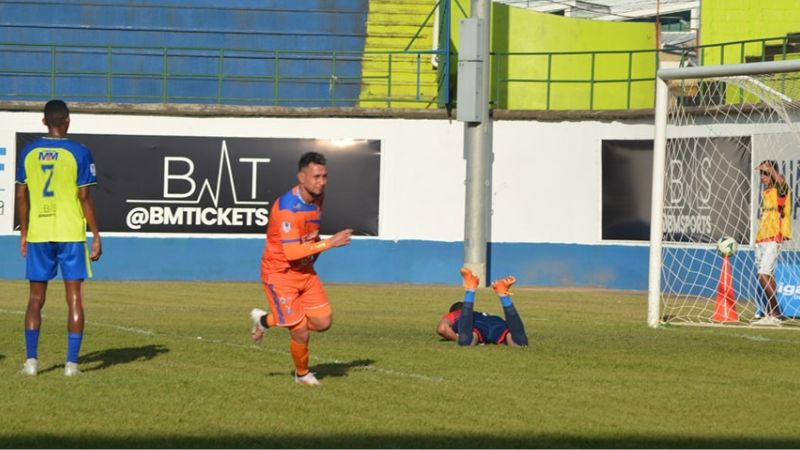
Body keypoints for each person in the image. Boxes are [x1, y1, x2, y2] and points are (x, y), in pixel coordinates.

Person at [249, 152, 352, 385]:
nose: (322, 181)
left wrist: (315, 252)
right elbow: (291, 252)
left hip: (305, 272)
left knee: (323, 323)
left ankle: (263, 321)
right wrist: (330, 243)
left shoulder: (318, 197)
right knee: (300, 331)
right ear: (301, 177)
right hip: (280, 275)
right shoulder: (287, 207)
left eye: (325, 176)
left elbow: (309, 234)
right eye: (316, 177)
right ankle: (302, 374)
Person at [15, 99, 102, 376]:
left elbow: (20, 195)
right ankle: (71, 365)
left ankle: (31, 362)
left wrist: (25, 233)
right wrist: (96, 234)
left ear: (44, 122)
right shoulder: (79, 152)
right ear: (67, 121)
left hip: (40, 233)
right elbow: (84, 196)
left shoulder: (29, 152)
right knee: (74, 298)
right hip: (70, 233)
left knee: (35, 299)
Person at [437, 267, 529, 346]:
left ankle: (470, 289)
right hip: (497, 322)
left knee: (465, 342)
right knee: (520, 344)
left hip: (477, 328)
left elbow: (442, 329)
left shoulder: (456, 314)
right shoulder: (482, 314)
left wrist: (458, 338)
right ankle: (503, 294)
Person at [753, 160, 791, 326]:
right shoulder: (767, 193)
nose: (763, 177)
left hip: (774, 237)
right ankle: (770, 313)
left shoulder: (780, 191)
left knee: (763, 275)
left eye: (766, 173)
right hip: (762, 238)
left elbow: (782, 181)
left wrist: (772, 171)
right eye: (762, 174)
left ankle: (776, 313)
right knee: (768, 275)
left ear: (773, 173)